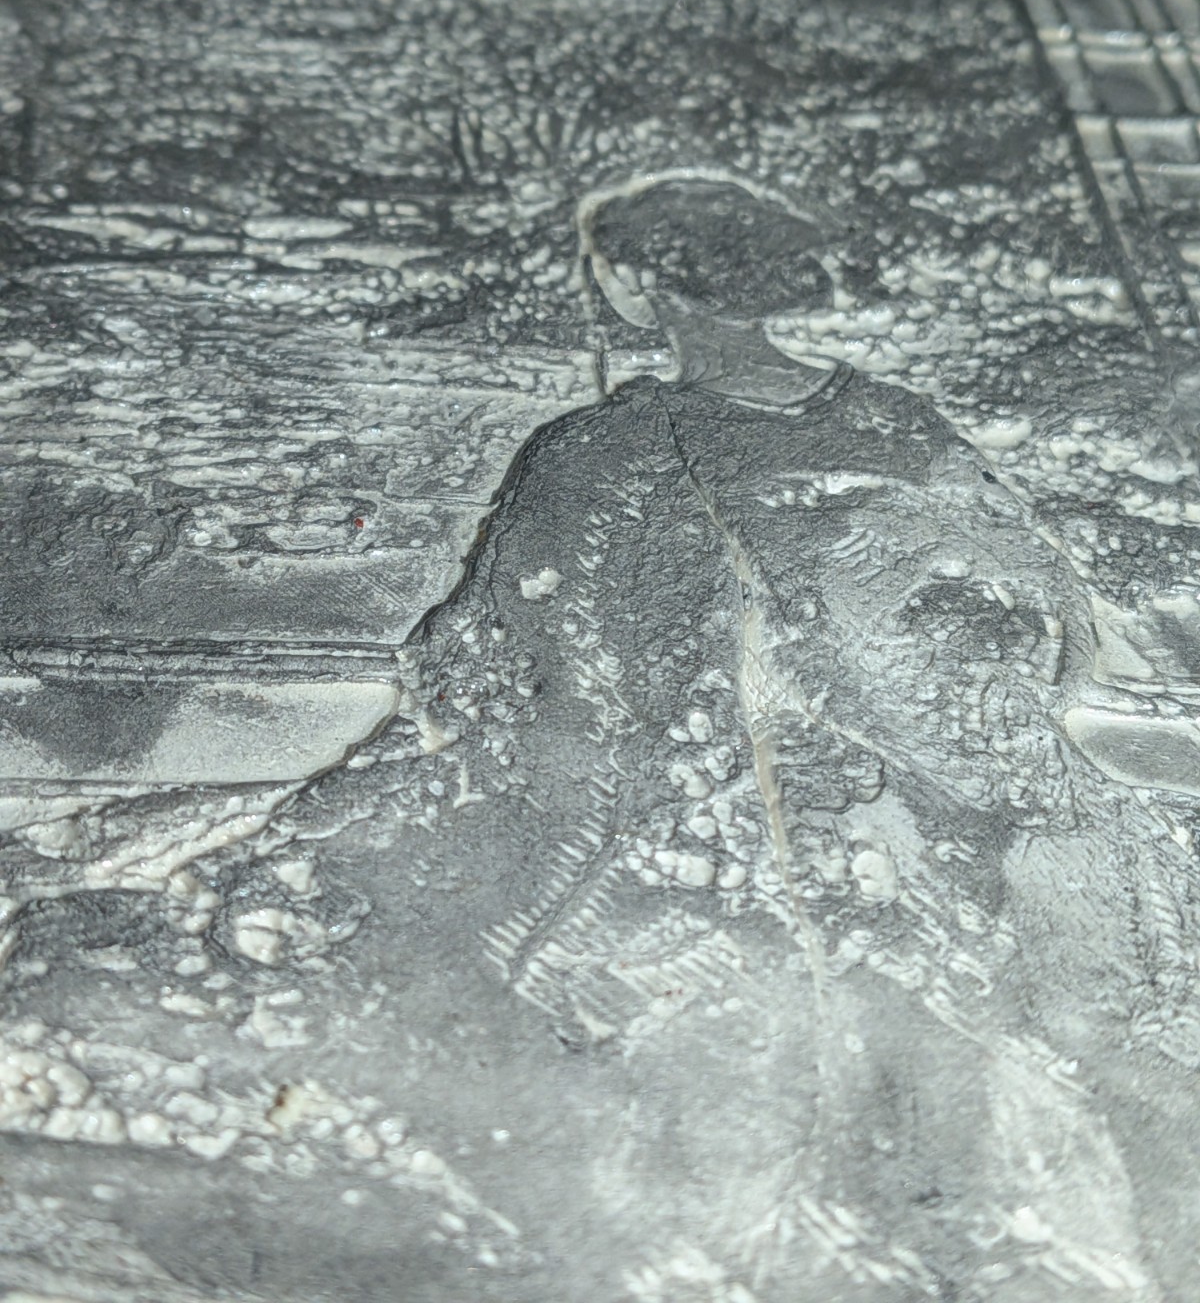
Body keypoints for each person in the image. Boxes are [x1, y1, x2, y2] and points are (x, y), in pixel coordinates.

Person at [4, 172, 1197, 1300]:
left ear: (638, 286)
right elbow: (1047, 613)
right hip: (978, 790)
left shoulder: (603, 451)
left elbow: (530, 668)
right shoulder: (902, 421)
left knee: (387, 915)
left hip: (716, 803)